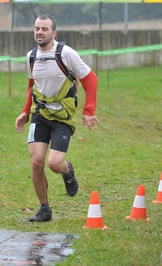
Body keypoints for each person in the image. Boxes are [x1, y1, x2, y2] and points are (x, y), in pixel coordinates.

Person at [14, 14, 100, 222]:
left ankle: (67, 171)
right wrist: (25, 112)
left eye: (44, 29)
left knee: (54, 163)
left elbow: (91, 79)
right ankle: (44, 209)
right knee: (36, 163)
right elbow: (31, 87)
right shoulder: (31, 56)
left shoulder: (66, 53)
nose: (39, 32)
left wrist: (89, 110)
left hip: (62, 116)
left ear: (54, 33)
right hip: (40, 114)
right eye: (36, 28)